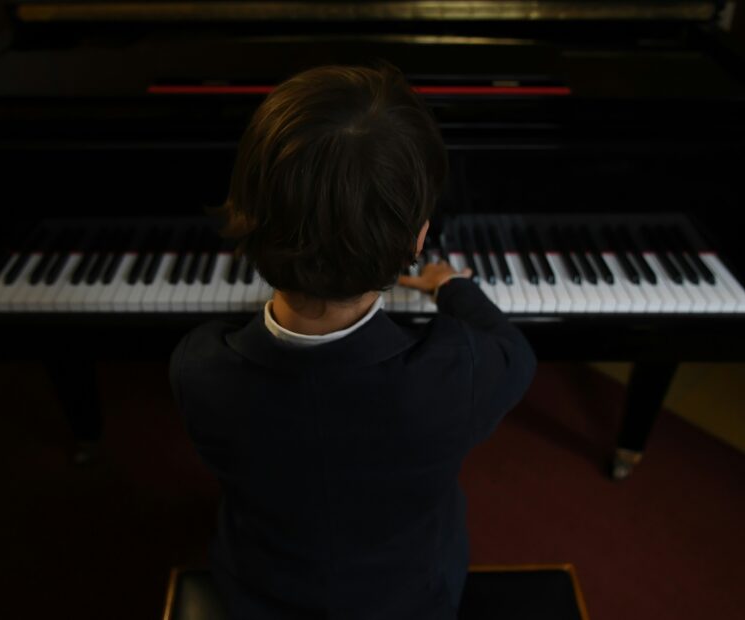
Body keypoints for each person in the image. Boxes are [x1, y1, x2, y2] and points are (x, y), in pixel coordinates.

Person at [169, 63, 536, 619]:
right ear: (417, 239)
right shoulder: (455, 370)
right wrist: (453, 288)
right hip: (411, 598)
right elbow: (516, 353)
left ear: (246, 218)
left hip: (258, 592)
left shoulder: (197, 366)